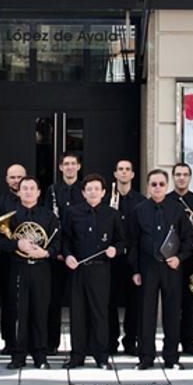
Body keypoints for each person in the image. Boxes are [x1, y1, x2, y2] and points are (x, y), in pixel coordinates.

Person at [130, 169, 193, 370]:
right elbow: (133, 242)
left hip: (171, 268)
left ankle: (171, 357)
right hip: (147, 268)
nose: (157, 188)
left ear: (167, 187)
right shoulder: (139, 210)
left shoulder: (177, 210)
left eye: (161, 184)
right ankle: (146, 357)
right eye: (153, 184)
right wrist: (135, 270)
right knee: (146, 314)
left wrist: (179, 258)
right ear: (148, 187)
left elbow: (187, 239)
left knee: (173, 313)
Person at [62, 174, 124, 370]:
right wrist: (68, 256)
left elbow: (122, 241)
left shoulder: (112, 214)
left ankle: (101, 356)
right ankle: (77, 356)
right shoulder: (72, 212)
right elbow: (65, 240)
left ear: (103, 192)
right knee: (78, 314)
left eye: (97, 189)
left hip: (101, 271)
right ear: (83, 192)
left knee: (100, 313)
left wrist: (116, 249)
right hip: (78, 270)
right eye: (89, 189)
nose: (93, 192)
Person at [0, 177, 59, 370]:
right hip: (19, 268)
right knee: (18, 312)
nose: (29, 192)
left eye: (32, 188)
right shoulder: (11, 217)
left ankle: (40, 355)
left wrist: (46, 252)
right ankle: (18, 355)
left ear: (39, 192)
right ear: (19, 192)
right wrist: (17, 244)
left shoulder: (49, 216)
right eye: (25, 189)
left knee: (40, 311)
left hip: (41, 268)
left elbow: (59, 243)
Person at [47, 152, 84, 354]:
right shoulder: (52, 191)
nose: (69, 167)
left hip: (79, 255)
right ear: (60, 168)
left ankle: (81, 345)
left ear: (79, 166)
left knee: (78, 302)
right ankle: (51, 343)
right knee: (53, 301)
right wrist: (58, 250)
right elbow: (48, 222)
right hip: (56, 255)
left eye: (73, 164)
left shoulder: (85, 190)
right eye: (66, 164)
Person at [109, 159, 146, 357]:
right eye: (120, 169)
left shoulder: (141, 201)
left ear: (132, 174)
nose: (123, 173)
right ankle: (111, 341)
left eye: (127, 170)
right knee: (109, 301)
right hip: (112, 259)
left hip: (133, 258)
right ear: (115, 174)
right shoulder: (107, 200)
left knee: (134, 303)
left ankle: (131, 340)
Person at [168, 162, 193, 356]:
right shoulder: (166, 200)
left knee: (190, 302)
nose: (181, 178)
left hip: (191, 258)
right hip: (171, 259)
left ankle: (189, 343)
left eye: (185, 175)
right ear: (173, 177)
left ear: (190, 178)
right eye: (178, 174)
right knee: (172, 302)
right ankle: (171, 342)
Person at [0, 163, 27, 356]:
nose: (16, 180)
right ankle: (9, 341)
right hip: (7, 259)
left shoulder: (33, 200)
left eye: (19, 177)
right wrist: (15, 245)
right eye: (12, 177)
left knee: (28, 301)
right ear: (7, 180)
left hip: (30, 260)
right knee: (8, 301)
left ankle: (26, 339)